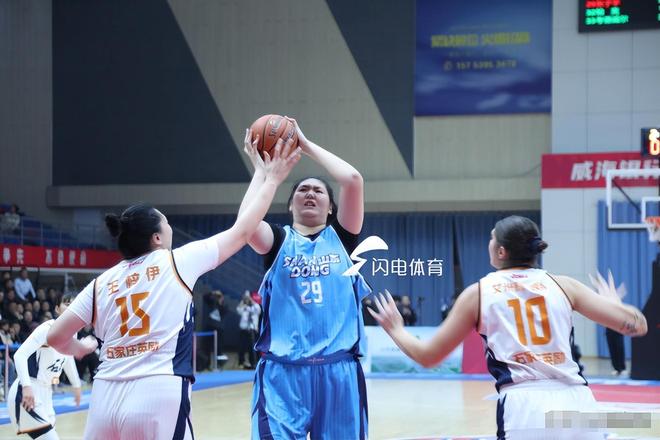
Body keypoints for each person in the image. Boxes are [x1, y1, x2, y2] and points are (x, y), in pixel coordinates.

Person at [46, 139, 300, 440]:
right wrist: (269, 178)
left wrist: (77, 349)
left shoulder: (101, 283)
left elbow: (55, 337)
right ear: (156, 237)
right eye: (165, 221)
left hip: (104, 397)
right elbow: (243, 230)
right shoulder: (177, 261)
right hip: (158, 390)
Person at [368, 215, 647, 440]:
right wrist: (616, 306)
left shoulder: (478, 293)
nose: (489, 243)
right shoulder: (563, 285)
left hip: (524, 405)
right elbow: (638, 325)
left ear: (501, 251)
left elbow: (429, 357)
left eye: (492, 238)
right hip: (577, 401)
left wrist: (396, 330)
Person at [241, 119, 371, 439]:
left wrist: (304, 144)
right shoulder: (277, 242)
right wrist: (262, 173)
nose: (310, 193)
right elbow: (245, 227)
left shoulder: (342, 239)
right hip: (283, 374)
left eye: (318, 190)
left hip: (339, 372)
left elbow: (353, 180)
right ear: (290, 205)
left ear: (331, 208)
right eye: (302, 189)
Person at [8, 293, 82, 440]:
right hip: (27, 389)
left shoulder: (73, 334)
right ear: (57, 309)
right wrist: (27, 387)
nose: (71, 307)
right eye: (67, 304)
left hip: (46, 392)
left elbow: (68, 359)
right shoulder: (47, 329)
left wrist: (77, 385)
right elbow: (19, 356)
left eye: (75, 305)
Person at [201, 290, 228, 363]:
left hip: (219, 328)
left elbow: (223, 313)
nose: (218, 298)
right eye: (218, 297)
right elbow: (204, 297)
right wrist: (213, 293)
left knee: (219, 347)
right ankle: (207, 363)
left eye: (220, 297)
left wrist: (220, 302)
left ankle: (219, 363)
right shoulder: (212, 303)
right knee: (207, 346)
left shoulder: (224, 306)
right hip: (210, 326)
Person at [236, 290, 260, 369]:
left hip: (252, 330)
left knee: (252, 347)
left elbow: (258, 310)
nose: (247, 299)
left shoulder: (255, 307)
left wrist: (250, 300)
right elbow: (238, 310)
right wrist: (243, 301)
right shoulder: (244, 307)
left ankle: (253, 363)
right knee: (242, 347)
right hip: (243, 330)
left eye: (248, 298)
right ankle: (241, 362)